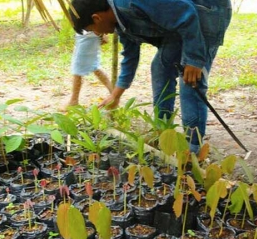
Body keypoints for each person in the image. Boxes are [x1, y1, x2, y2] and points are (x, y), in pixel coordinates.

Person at [69, 0, 231, 153]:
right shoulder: (119, 20)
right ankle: (163, 132)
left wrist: (194, 59)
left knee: (190, 81)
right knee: (160, 68)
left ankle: (193, 148)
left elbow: (187, 14)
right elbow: (130, 56)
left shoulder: (132, 2)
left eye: (93, 29)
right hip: (183, 21)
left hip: (206, 12)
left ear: (97, 18)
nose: (98, 33)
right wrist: (115, 95)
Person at [66, 31, 113, 109]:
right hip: (86, 35)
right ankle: (114, 93)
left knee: (78, 68)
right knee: (94, 67)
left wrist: (102, 33)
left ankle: (73, 100)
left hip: (88, 36)